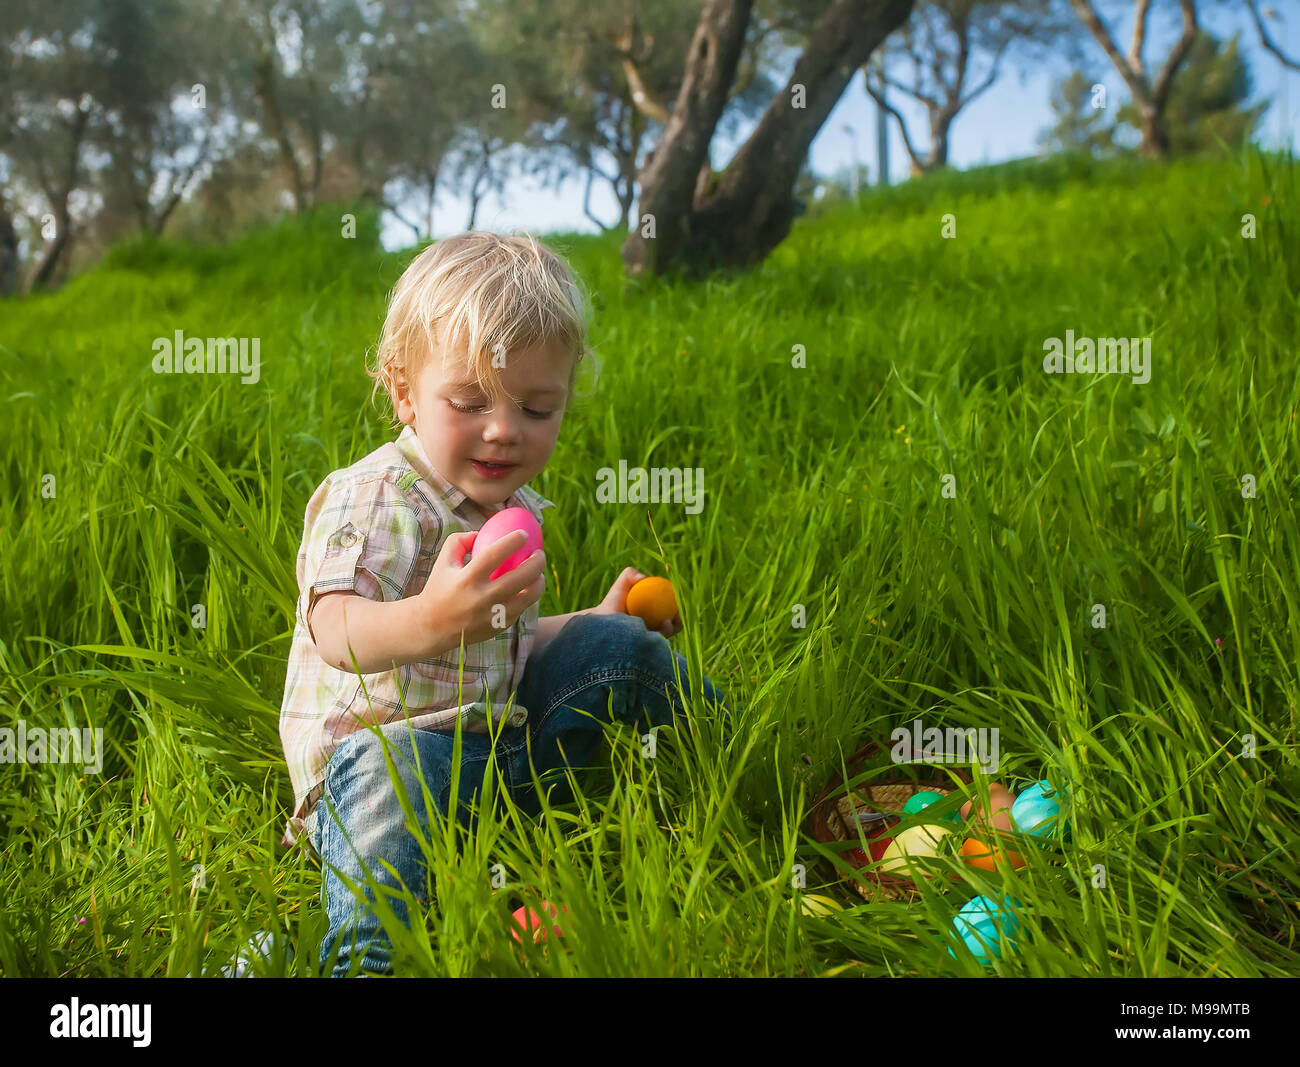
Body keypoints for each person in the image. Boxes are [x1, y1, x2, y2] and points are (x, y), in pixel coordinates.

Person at [278, 231, 732, 977]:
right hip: (383, 778)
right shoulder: (380, 496)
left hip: (495, 754)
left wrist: (591, 621)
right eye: (468, 401)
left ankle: (754, 758)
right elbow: (336, 630)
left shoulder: (508, 503)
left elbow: (503, 638)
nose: (503, 429)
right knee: (395, 767)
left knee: (619, 650)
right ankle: (368, 960)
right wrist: (433, 616)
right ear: (402, 390)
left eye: (537, 408)